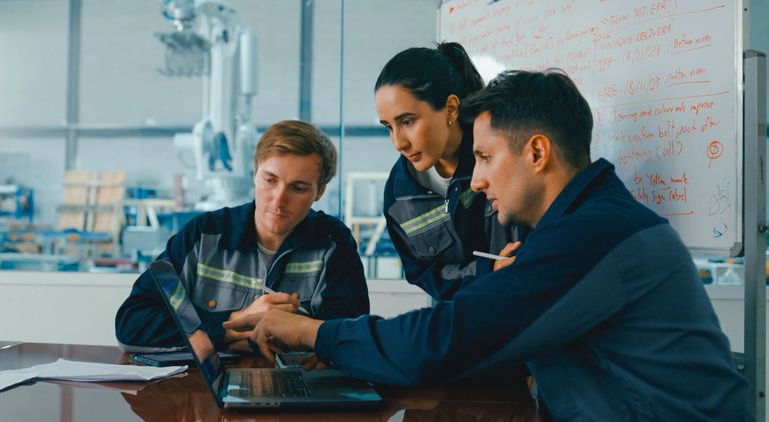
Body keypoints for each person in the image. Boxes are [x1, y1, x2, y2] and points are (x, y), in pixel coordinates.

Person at [226, 71, 750, 420]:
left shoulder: (593, 234)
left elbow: (443, 339)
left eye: (486, 157)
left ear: (538, 152)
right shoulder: (583, 228)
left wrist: (309, 331)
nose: (475, 180)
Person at [115, 120, 369, 353]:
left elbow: (351, 339)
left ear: (319, 191)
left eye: (298, 188)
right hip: (204, 396)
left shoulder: (334, 243)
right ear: (255, 173)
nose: (278, 200)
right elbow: (133, 323)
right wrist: (232, 324)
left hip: (297, 392)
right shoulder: (204, 234)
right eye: (270, 180)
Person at [374, 42, 524, 300]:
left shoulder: (500, 158)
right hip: (457, 321)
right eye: (389, 127)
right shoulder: (399, 195)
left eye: (407, 122)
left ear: (451, 108)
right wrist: (486, 271)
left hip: (518, 307)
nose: (398, 142)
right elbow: (421, 272)